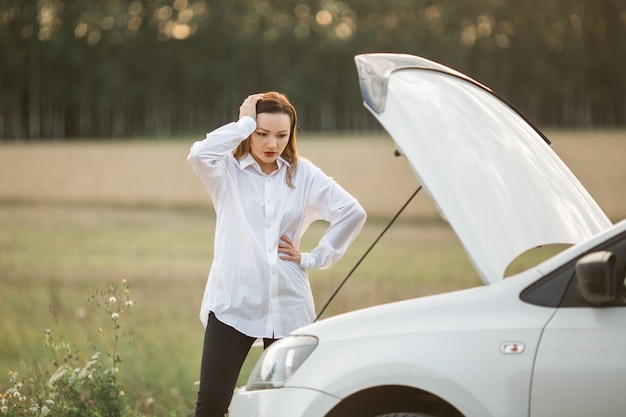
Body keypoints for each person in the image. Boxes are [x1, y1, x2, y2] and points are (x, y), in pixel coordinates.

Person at [187, 92, 367, 417]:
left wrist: (313, 258)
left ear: (291, 134)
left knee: (288, 409)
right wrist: (242, 123)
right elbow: (199, 155)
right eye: (262, 133)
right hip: (233, 302)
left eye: (281, 135)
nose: (272, 143)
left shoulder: (304, 174)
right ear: (250, 132)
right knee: (211, 403)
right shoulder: (227, 171)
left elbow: (352, 212)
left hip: (289, 306)